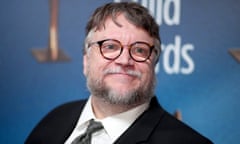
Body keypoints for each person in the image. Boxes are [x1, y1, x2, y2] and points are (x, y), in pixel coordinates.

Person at [25, 2, 213, 144]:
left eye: (139, 50)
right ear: (86, 61)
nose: (124, 60)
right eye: (110, 46)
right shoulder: (54, 120)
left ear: (154, 64)